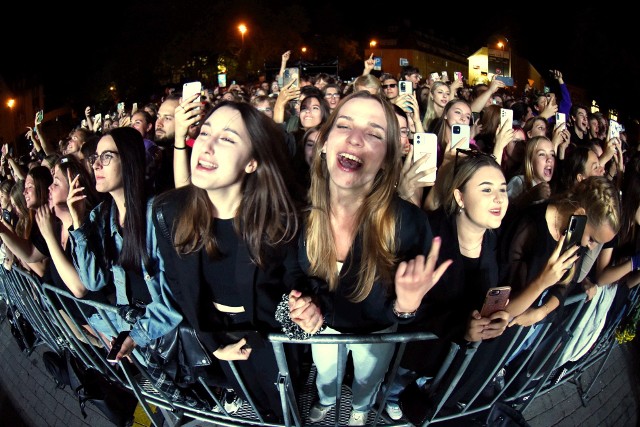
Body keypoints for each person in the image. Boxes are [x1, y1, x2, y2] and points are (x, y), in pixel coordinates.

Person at [282, 91, 451, 426]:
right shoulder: (300, 215)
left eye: (374, 133)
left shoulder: (409, 222)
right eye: (344, 125)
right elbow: (291, 273)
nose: (356, 139)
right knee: (326, 376)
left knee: (367, 380)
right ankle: (328, 402)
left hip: (378, 333)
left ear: (388, 157)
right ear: (326, 142)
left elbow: (415, 311)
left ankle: (360, 410)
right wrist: (302, 301)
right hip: (324, 330)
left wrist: (407, 306)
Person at [152, 100, 300, 421]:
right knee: (255, 408)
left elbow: (297, 280)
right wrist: (213, 342)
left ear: (251, 162)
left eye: (228, 138)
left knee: (286, 410)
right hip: (222, 337)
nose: (207, 145)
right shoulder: (169, 212)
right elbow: (180, 285)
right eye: (204, 132)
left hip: (271, 339)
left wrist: (304, 308)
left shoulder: (279, 220)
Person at [384, 152, 510, 420]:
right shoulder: (428, 233)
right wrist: (461, 326)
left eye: (502, 189)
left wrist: (497, 318)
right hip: (416, 355)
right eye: (486, 189)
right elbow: (405, 306)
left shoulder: (494, 238)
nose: (499, 198)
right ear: (460, 197)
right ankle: (389, 400)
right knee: (396, 387)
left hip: (452, 361)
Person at [66, 127, 182, 362]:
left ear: (129, 161)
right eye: (95, 158)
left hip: (166, 336)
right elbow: (92, 281)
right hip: (134, 332)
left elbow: (176, 296)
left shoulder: (157, 215)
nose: (96, 165)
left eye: (106, 156)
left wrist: (137, 335)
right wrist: (78, 225)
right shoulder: (101, 216)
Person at [506, 136, 556, 209]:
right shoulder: (519, 182)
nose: (549, 159)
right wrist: (530, 196)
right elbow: (506, 213)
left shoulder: (552, 187)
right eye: (542, 154)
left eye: (552, 154)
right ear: (530, 160)